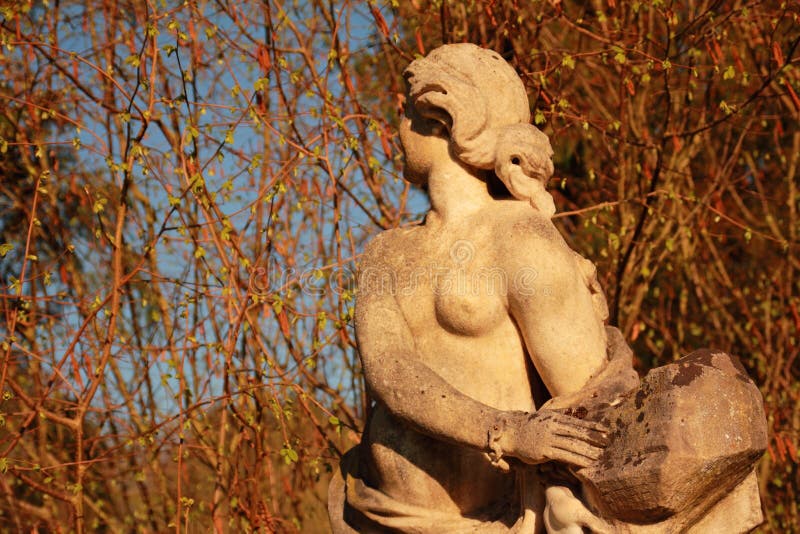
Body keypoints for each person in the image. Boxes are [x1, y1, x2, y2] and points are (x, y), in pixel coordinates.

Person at [328, 43, 637, 533]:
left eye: (408, 115)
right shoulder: (385, 253)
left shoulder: (519, 237)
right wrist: (504, 431)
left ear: (445, 120)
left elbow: (588, 397)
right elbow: (389, 371)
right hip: (382, 515)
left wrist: (558, 482)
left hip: (500, 520)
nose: (399, 130)